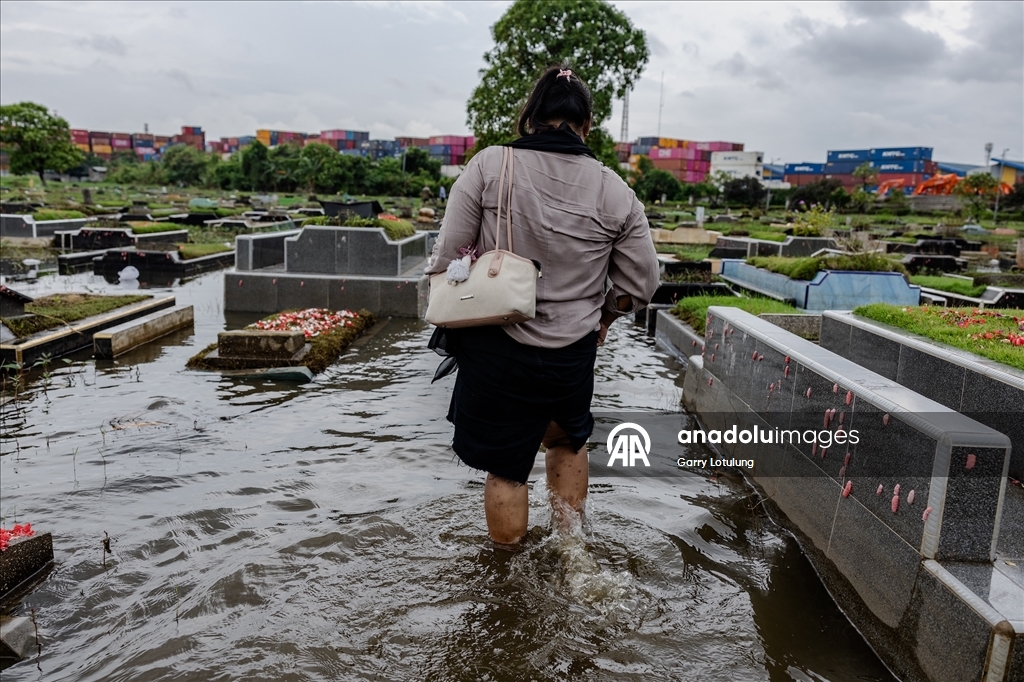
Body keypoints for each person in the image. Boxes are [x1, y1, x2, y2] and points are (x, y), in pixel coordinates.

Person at [425, 64, 658, 544]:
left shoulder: (490, 165)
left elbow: (448, 256)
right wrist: (606, 316)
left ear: (529, 117)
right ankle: (572, 552)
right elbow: (642, 281)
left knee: (507, 469)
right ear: (586, 124)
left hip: (497, 344)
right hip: (572, 352)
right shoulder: (616, 191)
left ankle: (508, 572)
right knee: (567, 443)